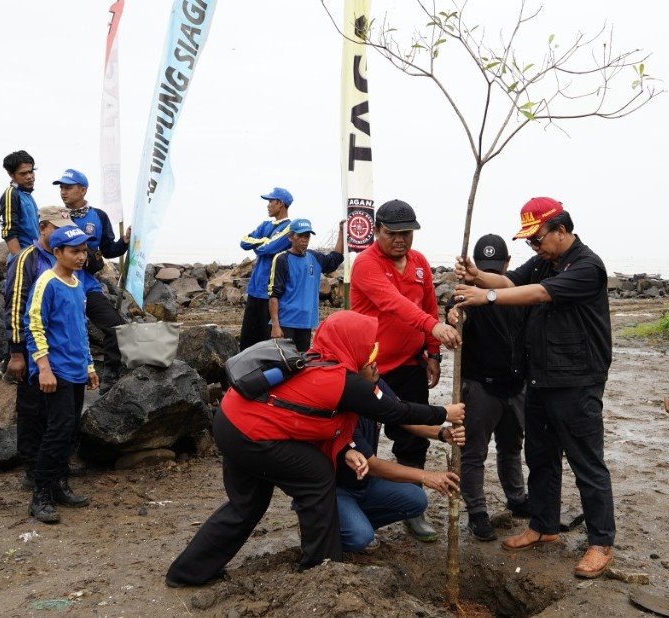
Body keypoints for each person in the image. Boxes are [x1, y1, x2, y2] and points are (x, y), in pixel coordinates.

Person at [165, 311, 465, 586]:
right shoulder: (342, 380)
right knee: (316, 475)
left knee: (247, 505)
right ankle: (322, 568)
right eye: (369, 349)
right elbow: (396, 413)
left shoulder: (318, 360)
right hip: (249, 432)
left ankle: (188, 572)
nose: (373, 356)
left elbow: (310, 418)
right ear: (351, 345)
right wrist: (444, 413)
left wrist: (346, 447)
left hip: (231, 420)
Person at [453, 197, 615, 579]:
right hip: (539, 378)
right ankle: (543, 526)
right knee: (540, 457)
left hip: (577, 380)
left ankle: (600, 541)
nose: (534, 246)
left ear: (561, 230)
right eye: (528, 242)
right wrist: (478, 276)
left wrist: (486, 296)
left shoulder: (587, 267)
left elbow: (539, 293)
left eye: (538, 238)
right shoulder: (545, 261)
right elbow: (510, 281)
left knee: (586, 462)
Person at [349, 199, 461, 542]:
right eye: (392, 233)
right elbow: (392, 304)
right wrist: (435, 325)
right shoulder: (365, 265)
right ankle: (355, 498)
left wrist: (433, 353)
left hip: (411, 364)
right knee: (361, 436)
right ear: (377, 231)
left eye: (407, 233)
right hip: (371, 367)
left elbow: (427, 303)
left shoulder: (419, 262)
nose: (400, 239)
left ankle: (414, 507)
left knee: (413, 436)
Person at [445, 234, 529, 542]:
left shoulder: (517, 292)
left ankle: (517, 498)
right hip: (480, 387)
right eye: (483, 267)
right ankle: (477, 512)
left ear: (507, 264)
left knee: (511, 447)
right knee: (473, 452)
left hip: (515, 386)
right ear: (474, 266)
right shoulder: (465, 295)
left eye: (497, 266)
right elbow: (452, 311)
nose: (489, 273)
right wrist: (452, 314)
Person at [336, 372, 464, 553]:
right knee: (359, 537)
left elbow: (402, 416)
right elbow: (374, 467)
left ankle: (357, 523)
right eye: (368, 360)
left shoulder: (375, 383)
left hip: (364, 483)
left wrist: (442, 433)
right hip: (338, 489)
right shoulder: (344, 401)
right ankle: (335, 532)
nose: (375, 364)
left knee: (416, 499)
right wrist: (425, 476)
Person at [24, 225, 100, 524]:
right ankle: (40, 494)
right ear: (57, 252)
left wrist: (89, 366)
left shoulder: (77, 282)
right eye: (74, 251)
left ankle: (60, 485)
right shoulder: (47, 282)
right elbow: (35, 326)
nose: (81, 257)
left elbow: (80, 328)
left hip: (76, 368)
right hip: (55, 370)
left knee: (68, 430)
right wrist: (43, 368)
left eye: (83, 251)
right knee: (56, 430)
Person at [3, 206, 77, 490]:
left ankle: (54, 468)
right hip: (32, 350)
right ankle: (32, 469)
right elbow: (14, 305)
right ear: (44, 227)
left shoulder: (65, 260)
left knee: (55, 413)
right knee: (32, 410)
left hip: (58, 352)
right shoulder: (26, 259)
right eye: (57, 228)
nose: (63, 233)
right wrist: (16, 352)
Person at [53, 169, 128, 389]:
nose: (63, 192)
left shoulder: (99, 216)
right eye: (61, 188)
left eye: (68, 187)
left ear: (83, 189)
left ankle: (111, 375)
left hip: (88, 285)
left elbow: (109, 250)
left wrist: (124, 241)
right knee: (63, 329)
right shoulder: (55, 216)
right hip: (60, 284)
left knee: (115, 326)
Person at [268, 219, 344, 352]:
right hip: (286, 323)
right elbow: (274, 295)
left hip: (306, 323)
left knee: (302, 363)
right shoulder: (281, 259)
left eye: (307, 236)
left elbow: (335, 258)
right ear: (290, 237)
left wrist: (341, 232)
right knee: (285, 364)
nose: (304, 239)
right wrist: (275, 325)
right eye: (300, 235)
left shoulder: (315, 257)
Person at [239, 187, 293, 351]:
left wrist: (260, 243)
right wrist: (264, 240)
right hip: (254, 290)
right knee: (247, 337)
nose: (268, 205)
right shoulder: (265, 225)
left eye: (271, 201)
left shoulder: (290, 228)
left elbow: (267, 249)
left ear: (281, 204)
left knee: (267, 340)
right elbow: (243, 242)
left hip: (270, 292)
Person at [0, 150, 40, 264]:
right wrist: (20, 262)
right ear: (11, 174)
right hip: (23, 259)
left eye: (31, 171)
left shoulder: (27, 196)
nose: (29, 177)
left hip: (35, 256)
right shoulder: (11, 194)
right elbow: (8, 232)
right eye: (23, 173)